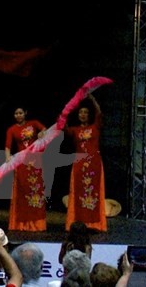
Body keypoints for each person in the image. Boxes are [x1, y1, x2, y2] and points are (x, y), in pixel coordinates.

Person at [64, 94, 107, 232]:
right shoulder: (74, 130)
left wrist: (92, 99)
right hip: (79, 165)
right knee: (78, 193)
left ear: (89, 115)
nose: (83, 115)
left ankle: (94, 223)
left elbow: (99, 113)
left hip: (94, 164)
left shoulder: (95, 127)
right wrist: (67, 109)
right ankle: (77, 222)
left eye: (85, 113)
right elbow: (63, 127)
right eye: (80, 112)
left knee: (93, 193)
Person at [4, 106, 47, 231]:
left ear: (25, 113)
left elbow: (44, 129)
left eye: (20, 113)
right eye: (16, 113)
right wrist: (8, 158)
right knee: (23, 194)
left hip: (35, 162)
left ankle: (36, 224)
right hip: (21, 164)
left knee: (36, 192)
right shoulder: (11, 129)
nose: (18, 115)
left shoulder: (33, 123)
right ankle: (21, 224)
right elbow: (7, 147)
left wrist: (41, 133)